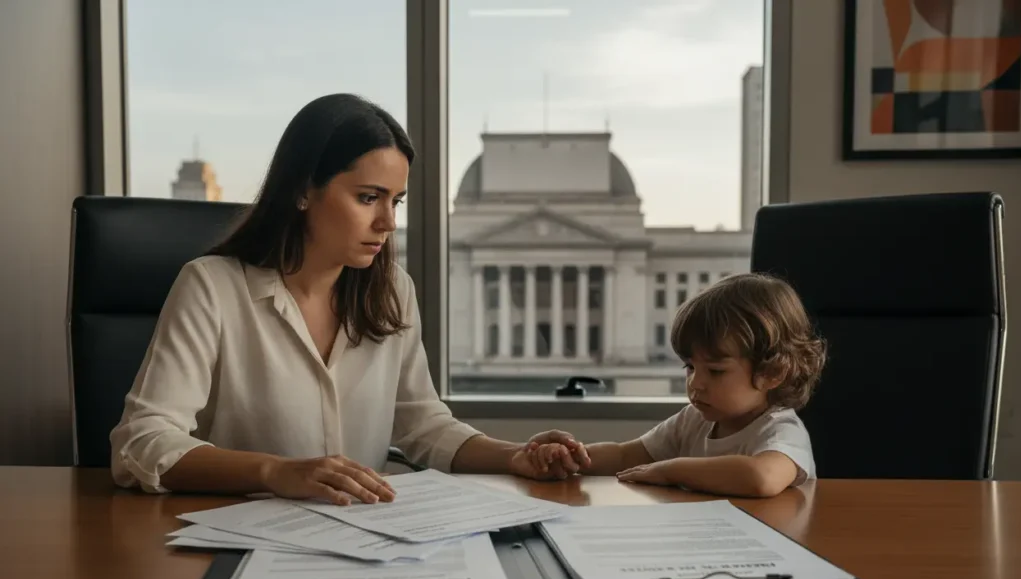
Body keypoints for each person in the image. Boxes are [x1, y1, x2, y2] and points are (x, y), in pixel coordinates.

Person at [110, 93, 589, 504]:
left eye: (395, 201)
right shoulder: (211, 287)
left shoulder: (394, 291)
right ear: (302, 191)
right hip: (241, 540)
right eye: (368, 197)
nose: (388, 222)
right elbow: (143, 442)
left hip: (368, 542)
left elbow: (423, 426)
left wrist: (513, 455)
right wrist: (274, 472)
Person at [527, 273, 826, 498]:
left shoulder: (781, 430)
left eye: (716, 371)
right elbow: (625, 456)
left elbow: (761, 478)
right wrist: (574, 457)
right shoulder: (692, 420)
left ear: (773, 372)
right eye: (690, 367)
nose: (696, 383)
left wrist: (671, 469)